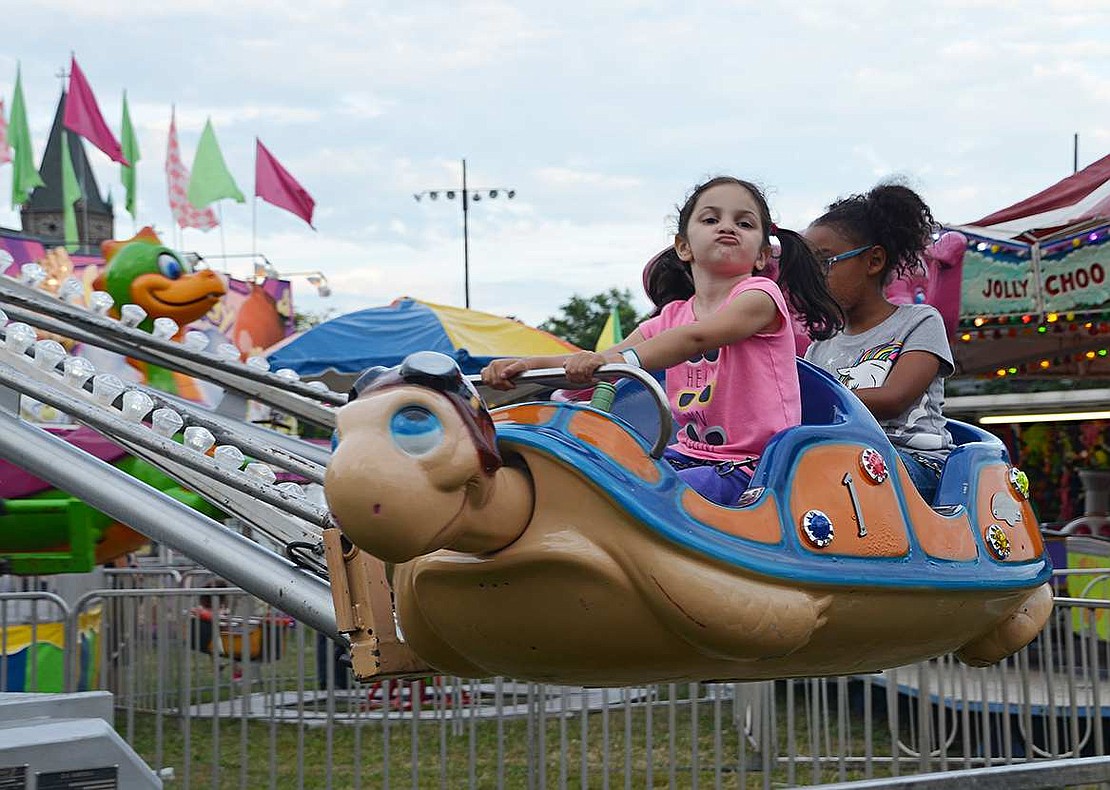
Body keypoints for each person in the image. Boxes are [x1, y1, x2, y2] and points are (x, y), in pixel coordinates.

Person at [483, 176, 842, 506]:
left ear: (762, 255)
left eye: (744, 223)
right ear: (684, 246)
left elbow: (697, 337)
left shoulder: (760, 296)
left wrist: (623, 363)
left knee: (653, 495)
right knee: (597, 472)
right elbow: (605, 360)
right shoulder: (670, 317)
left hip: (755, 467)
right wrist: (528, 366)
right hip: (690, 454)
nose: (727, 227)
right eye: (711, 219)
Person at [803, 182, 955, 503]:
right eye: (808, 267)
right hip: (846, 461)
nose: (814, 277)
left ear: (873, 261)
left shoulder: (919, 322)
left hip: (916, 462)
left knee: (838, 481)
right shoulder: (818, 348)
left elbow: (894, 398)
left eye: (825, 263)